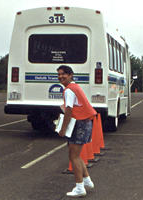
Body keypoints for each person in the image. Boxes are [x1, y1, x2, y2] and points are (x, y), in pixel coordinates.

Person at [57, 65, 97, 197]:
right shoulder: (76, 87)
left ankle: (80, 187)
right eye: (59, 74)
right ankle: (86, 180)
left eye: (64, 74)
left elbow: (69, 110)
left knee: (73, 156)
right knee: (76, 155)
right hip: (85, 122)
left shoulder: (69, 90)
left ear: (70, 75)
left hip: (79, 124)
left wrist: (63, 129)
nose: (61, 76)